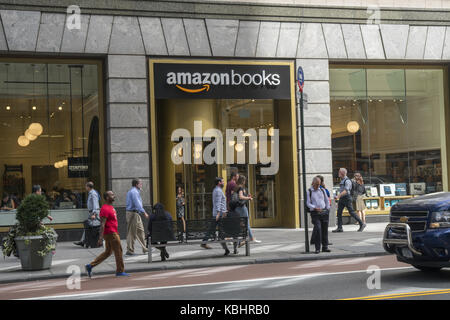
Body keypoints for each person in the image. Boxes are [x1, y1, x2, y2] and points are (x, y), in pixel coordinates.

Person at [85, 191, 129, 278]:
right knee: (119, 251)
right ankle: (120, 271)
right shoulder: (105, 208)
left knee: (108, 252)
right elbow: (102, 224)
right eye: (112, 195)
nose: (114, 196)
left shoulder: (111, 207)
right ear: (107, 197)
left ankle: (90, 266)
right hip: (111, 233)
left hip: (112, 232)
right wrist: (100, 238)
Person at [200, 177, 231, 256]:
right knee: (221, 232)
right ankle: (226, 249)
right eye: (222, 181)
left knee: (213, 230)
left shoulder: (217, 190)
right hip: (219, 215)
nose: (224, 183)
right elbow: (218, 202)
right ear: (219, 182)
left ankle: (204, 242)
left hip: (219, 214)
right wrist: (218, 213)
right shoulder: (218, 191)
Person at [333, 168, 366, 233]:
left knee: (352, 212)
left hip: (346, 198)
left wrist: (338, 196)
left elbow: (346, 191)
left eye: (339, 172)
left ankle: (362, 224)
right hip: (342, 198)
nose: (338, 173)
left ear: (342, 173)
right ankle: (340, 228)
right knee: (339, 213)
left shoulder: (347, 181)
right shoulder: (342, 180)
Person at [234, 175, 261, 246]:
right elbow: (240, 197)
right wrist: (248, 198)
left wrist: (247, 196)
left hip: (237, 208)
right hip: (242, 208)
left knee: (242, 223)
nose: (245, 182)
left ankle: (245, 238)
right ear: (242, 181)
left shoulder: (236, 187)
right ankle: (251, 238)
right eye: (244, 180)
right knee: (247, 223)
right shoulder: (240, 188)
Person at [307, 177, 331, 254]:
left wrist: (327, 209)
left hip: (324, 212)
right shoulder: (309, 191)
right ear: (313, 183)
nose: (318, 186)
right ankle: (317, 248)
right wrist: (315, 208)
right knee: (318, 228)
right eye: (317, 184)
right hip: (315, 213)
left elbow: (327, 200)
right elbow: (308, 203)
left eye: (319, 184)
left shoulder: (322, 190)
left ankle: (325, 247)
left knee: (325, 230)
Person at [125, 178, 149, 256]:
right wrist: (144, 212)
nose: (141, 184)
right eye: (140, 183)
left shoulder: (135, 191)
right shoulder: (134, 192)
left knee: (140, 231)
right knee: (131, 233)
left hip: (135, 213)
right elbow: (137, 204)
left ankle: (145, 248)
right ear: (136, 184)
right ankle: (130, 251)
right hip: (132, 213)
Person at [74, 182, 100, 247]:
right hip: (91, 212)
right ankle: (83, 241)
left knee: (93, 227)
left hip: (93, 213)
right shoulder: (91, 193)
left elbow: (95, 204)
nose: (85, 188)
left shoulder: (93, 194)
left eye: (86, 186)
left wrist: (94, 214)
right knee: (88, 227)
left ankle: (85, 241)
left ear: (88, 187)